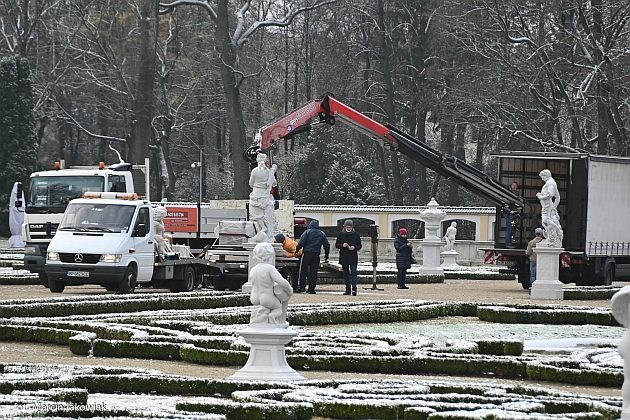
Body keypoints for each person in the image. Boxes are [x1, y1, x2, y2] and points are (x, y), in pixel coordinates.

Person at [249, 242, 294, 327]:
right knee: (278, 308)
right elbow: (281, 282)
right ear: (269, 256)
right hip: (266, 298)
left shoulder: (253, 269)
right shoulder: (269, 268)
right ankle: (272, 318)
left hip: (254, 298)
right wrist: (289, 290)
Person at [295, 220, 330, 294]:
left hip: (307, 253)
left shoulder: (307, 232)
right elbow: (327, 245)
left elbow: (301, 242)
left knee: (303, 271)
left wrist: (297, 249)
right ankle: (311, 289)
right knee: (313, 272)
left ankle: (301, 287)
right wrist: (326, 255)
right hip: (316, 254)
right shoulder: (322, 233)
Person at [248, 153, 277, 242]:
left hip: (256, 193)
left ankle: (263, 228)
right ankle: (265, 229)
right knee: (265, 213)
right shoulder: (269, 172)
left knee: (254, 213)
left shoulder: (255, 171)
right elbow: (274, 184)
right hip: (265, 194)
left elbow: (251, 184)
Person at [335, 219, 363, 296]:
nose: (349, 228)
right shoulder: (341, 234)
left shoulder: (356, 235)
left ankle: (354, 289)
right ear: (345, 227)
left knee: (353, 273)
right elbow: (337, 245)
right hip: (344, 256)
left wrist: (354, 247)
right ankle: (348, 289)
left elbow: (359, 245)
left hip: (353, 256)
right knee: (346, 274)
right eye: (347, 227)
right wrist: (342, 245)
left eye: (350, 227)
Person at [536, 169, 563, 248]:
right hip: (548, 206)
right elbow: (557, 197)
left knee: (545, 221)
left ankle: (556, 232)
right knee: (545, 222)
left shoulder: (550, 183)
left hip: (547, 205)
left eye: (542, 177)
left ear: (546, 175)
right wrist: (554, 207)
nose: (542, 179)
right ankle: (550, 237)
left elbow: (550, 194)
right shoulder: (552, 182)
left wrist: (540, 196)